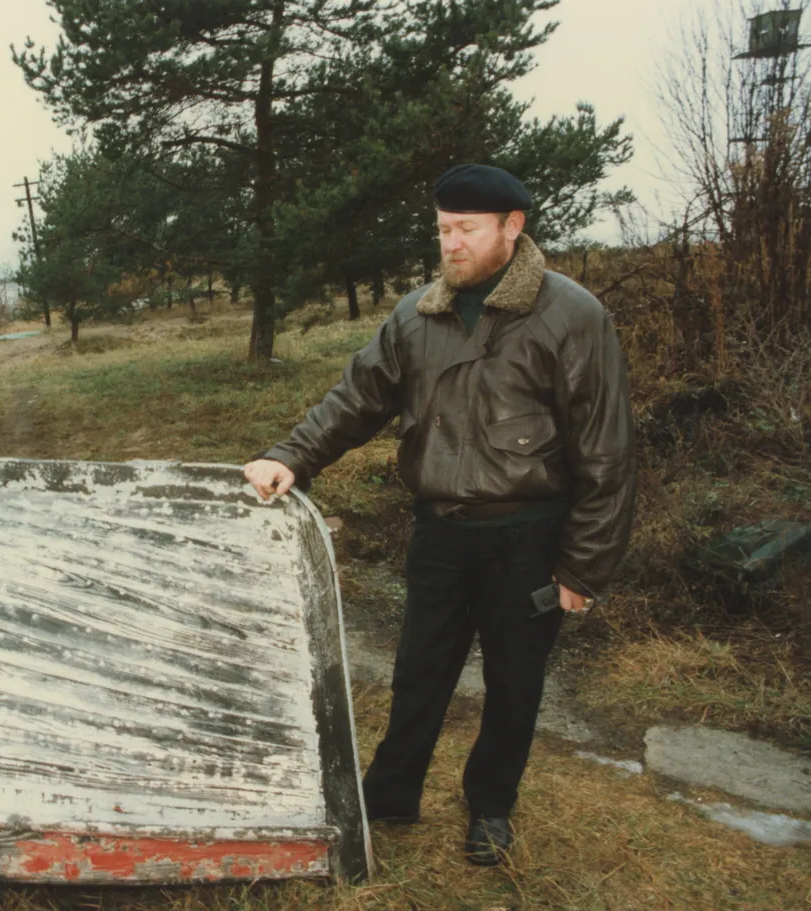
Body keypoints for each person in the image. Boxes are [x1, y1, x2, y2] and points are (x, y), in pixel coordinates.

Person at [243, 164, 635, 866]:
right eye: (443, 230)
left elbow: (606, 451)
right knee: (418, 671)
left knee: (515, 683)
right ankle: (390, 794)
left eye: (466, 230)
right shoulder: (418, 315)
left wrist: (584, 563)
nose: (450, 244)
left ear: (513, 229)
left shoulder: (571, 315)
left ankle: (490, 808)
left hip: (528, 536)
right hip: (440, 533)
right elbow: (356, 399)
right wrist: (291, 456)